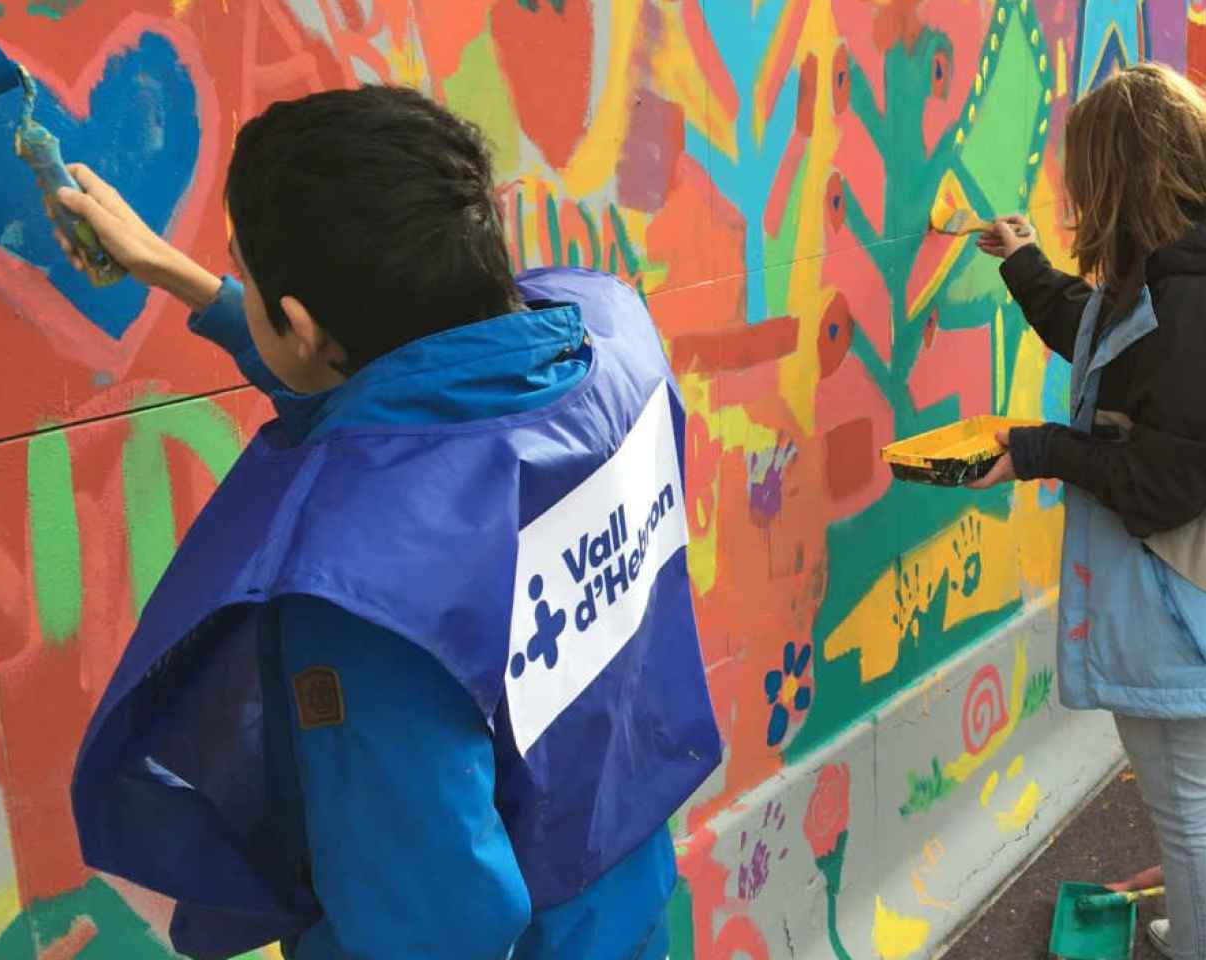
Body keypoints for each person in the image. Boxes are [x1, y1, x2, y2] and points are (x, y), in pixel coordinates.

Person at [62, 87, 721, 959]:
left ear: (300, 325)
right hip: (627, 903)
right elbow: (424, 393)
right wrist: (188, 281)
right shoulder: (612, 337)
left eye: (251, 281)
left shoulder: (357, 597)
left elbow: (432, 923)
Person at [971, 64, 1206, 960]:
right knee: (1189, 796)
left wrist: (1036, 450)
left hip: (1202, 602)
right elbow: (1106, 337)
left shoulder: (1197, 300)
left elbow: (1167, 485)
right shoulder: (1187, 271)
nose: (1075, 193)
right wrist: (1023, 263)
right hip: (1199, 601)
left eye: (1086, 174)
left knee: (1188, 803)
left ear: (1122, 176)